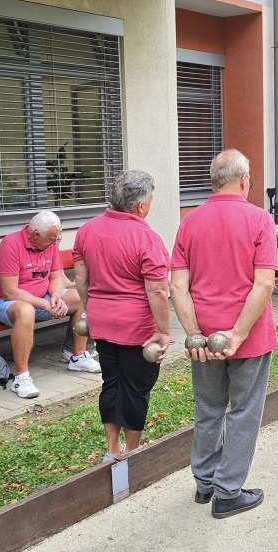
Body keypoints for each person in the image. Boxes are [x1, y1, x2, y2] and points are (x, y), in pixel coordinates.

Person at [170, 149, 277, 519]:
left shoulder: (190, 221)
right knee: (244, 412)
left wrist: (194, 335)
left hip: (204, 336)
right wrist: (237, 333)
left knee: (209, 408)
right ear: (245, 180)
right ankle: (228, 492)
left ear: (212, 182)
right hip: (249, 335)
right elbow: (263, 284)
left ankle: (204, 483)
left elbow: (177, 287)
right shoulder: (259, 219)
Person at [73, 170, 170, 461]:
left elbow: (80, 278)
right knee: (136, 389)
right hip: (136, 327)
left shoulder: (88, 230)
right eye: (151, 200)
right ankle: (132, 452)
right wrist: (164, 331)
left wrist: (92, 308)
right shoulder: (146, 237)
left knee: (111, 384)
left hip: (102, 323)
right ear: (140, 206)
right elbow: (157, 292)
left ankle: (112, 449)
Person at [0, 210, 100, 399]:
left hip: (40, 298)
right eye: (52, 239)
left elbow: (55, 277)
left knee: (80, 297)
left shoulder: (49, 243)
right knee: (26, 310)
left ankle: (78, 356)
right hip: (4, 302)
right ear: (35, 235)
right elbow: (10, 291)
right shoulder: (11, 245)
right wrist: (45, 304)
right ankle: (21, 377)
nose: (56, 242)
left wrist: (55, 295)